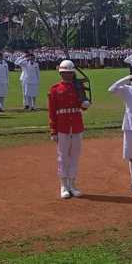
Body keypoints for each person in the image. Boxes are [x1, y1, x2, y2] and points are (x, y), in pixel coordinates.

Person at [49, 59, 90, 199]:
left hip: (76, 125)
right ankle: (63, 185)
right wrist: (53, 130)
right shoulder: (55, 89)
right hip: (62, 126)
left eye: (70, 73)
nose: (67, 75)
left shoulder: (78, 87)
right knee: (63, 156)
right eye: (64, 73)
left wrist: (85, 104)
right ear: (60, 73)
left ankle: (72, 184)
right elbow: (52, 112)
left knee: (75, 156)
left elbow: (82, 106)